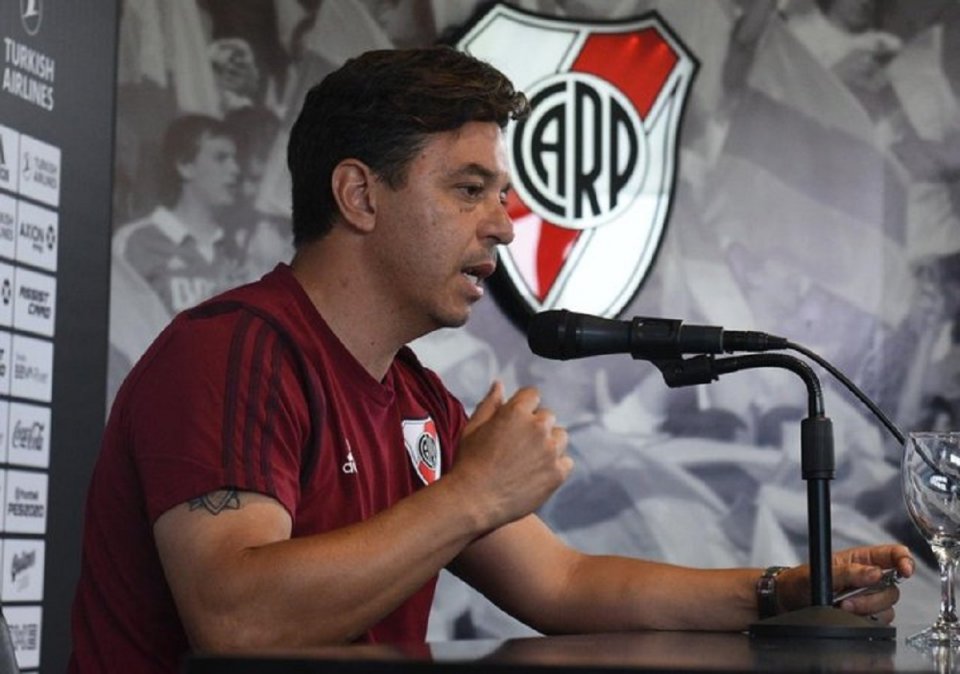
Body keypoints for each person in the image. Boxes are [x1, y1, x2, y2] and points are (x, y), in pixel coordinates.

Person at [71, 46, 914, 673]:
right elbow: (237, 621)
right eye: (470, 190)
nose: (506, 226)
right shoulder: (232, 351)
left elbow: (564, 583)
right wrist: (471, 493)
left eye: (502, 195)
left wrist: (779, 591)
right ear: (360, 196)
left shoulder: (417, 398)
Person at [107, 114, 243, 402]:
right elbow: (118, 340)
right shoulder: (135, 242)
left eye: (235, 158)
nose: (235, 169)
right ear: (185, 165)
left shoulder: (236, 251)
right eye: (221, 158)